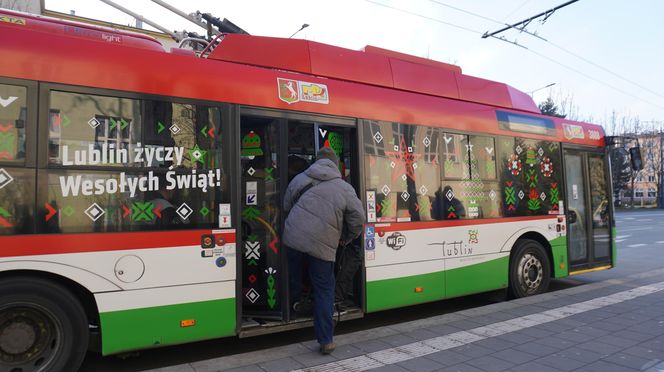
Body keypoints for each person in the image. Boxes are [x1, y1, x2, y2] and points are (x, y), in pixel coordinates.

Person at [283, 147, 364, 355]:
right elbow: (358, 219)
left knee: (295, 274)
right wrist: (346, 238)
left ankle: (296, 304)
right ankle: (326, 340)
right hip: (323, 244)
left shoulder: (300, 179)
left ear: (316, 162)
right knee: (324, 289)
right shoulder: (344, 187)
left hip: (293, 238)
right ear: (335, 164)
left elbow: (286, 206)